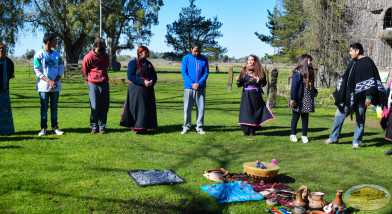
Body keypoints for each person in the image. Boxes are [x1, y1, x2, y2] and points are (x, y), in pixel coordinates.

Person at [323, 43, 385, 149]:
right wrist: (338, 93)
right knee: (338, 116)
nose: (350, 53)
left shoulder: (367, 62)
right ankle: (333, 138)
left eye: (351, 51)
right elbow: (346, 78)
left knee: (360, 119)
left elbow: (371, 81)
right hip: (348, 97)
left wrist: (369, 97)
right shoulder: (353, 62)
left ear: (357, 51)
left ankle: (356, 142)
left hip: (361, 98)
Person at [120, 46, 157, 134]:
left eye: (147, 52)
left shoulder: (149, 64)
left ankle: (145, 126)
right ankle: (136, 126)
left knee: (146, 109)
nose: (147, 54)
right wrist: (142, 82)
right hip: (136, 89)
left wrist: (151, 81)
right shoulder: (133, 63)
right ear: (140, 53)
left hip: (148, 89)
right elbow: (130, 76)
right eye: (145, 52)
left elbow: (154, 76)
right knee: (137, 108)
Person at [33, 33, 65, 136]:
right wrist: (49, 81)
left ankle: (55, 127)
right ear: (48, 42)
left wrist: (54, 82)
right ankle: (43, 128)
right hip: (43, 87)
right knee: (44, 108)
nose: (56, 42)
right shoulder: (38, 55)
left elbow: (61, 68)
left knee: (54, 107)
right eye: (54, 40)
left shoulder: (57, 55)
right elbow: (37, 71)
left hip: (55, 86)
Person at [235, 55, 275, 136]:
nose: (250, 61)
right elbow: (240, 85)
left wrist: (257, 79)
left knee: (253, 112)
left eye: (252, 60)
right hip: (246, 95)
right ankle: (245, 130)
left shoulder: (259, 70)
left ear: (255, 61)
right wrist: (238, 81)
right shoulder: (243, 70)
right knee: (246, 112)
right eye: (248, 60)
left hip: (255, 95)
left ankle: (252, 130)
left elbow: (264, 83)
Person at [82, 38, 110, 134]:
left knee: (104, 106)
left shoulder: (106, 56)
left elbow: (106, 66)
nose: (105, 46)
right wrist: (92, 77)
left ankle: (102, 126)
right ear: (98, 45)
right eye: (103, 44)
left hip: (105, 84)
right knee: (94, 106)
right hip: (93, 84)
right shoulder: (89, 57)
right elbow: (85, 70)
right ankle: (94, 126)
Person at [181, 41, 209, 134]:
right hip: (189, 87)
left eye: (198, 51)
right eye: (195, 51)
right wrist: (192, 84)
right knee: (187, 108)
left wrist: (199, 84)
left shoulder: (204, 59)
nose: (197, 53)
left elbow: (206, 73)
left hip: (200, 87)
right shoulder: (186, 58)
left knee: (200, 108)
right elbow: (184, 73)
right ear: (191, 49)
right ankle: (186, 126)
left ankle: (199, 127)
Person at [289, 54, 318, 143]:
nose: (311, 62)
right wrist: (293, 99)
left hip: (307, 98)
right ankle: (293, 134)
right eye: (310, 60)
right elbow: (294, 87)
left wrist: (314, 91)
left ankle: (304, 135)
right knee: (296, 116)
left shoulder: (310, 72)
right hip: (298, 98)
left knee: (305, 117)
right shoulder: (297, 73)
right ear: (304, 61)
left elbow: (311, 85)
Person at [0, 43, 15, 136]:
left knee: (4, 112)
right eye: (1, 50)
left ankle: (6, 130)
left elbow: (10, 74)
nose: (3, 52)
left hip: (4, 90)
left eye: (4, 50)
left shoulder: (9, 62)